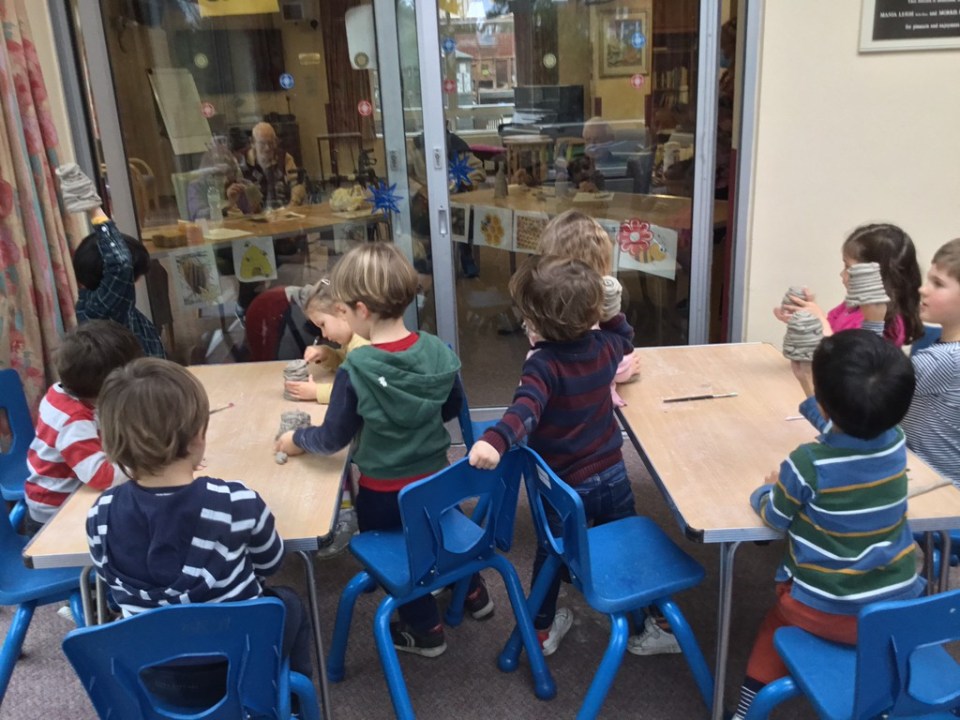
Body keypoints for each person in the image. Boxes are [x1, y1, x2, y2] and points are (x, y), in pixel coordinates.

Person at [275, 242, 492, 657]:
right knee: (440, 528)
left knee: (404, 551)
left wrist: (296, 441)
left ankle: (424, 628)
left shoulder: (357, 369)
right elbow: (450, 406)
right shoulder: (436, 349)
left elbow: (332, 439)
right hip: (439, 481)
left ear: (359, 310)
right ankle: (473, 594)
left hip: (383, 494)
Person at [730, 329, 923, 719]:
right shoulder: (895, 442)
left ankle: (746, 708)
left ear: (826, 403)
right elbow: (849, 434)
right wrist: (809, 388)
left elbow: (775, 518)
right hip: (894, 609)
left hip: (821, 612)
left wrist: (765, 491)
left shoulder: (807, 463)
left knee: (774, 628)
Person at [86, 358, 313, 687]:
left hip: (154, 672)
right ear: (198, 437)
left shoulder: (100, 514)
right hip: (240, 664)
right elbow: (272, 561)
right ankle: (287, 697)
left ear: (107, 442)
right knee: (288, 601)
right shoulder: (237, 502)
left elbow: (109, 579)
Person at [468, 255, 635, 656]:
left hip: (563, 487)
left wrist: (495, 439)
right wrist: (612, 315)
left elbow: (525, 409)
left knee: (550, 553)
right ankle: (641, 616)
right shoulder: (607, 346)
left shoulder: (542, 364)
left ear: (536, 327)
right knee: (625, 542)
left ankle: (541, 629)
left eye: (527, 319)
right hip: (614, 475)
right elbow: (625, 340)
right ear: (593, 314)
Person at [23, 320, 142, 533]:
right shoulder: (74, 420)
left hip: (66, 491)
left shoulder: (62, 390)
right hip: (55, 515)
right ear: (109, 388)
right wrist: (146, 465)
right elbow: (101, 475)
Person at [60, 163, 166, 358]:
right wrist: (94, 210)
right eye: (136, 276)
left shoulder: (97, 303)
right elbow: (120, 264)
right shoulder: (104, 309)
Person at [536, 210, 641, 405]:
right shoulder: (574, 312)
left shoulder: (547, 302)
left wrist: (610, 314)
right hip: (579, 409)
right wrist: (626, 368)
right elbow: (604, 360)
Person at [776, 223, 923, 347]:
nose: (842, 274)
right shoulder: (851, 306)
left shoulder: (888, 322)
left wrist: (819, 320)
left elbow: (845, 359)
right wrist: (807, 321)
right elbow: (827, 334)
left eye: (848, 267)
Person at [900, 238, 960, 487]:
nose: (923, 289)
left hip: (937, 493)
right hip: (915, 473)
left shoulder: (947, 360)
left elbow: (864, 391)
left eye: (938, 284)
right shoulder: (935, 343)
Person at [284, 277, 370, 403]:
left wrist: (316, 391)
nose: (323, 334)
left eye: (323, 324)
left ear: (341, 311)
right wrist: (326, 354)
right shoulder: (354, 341)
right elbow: (347, 363)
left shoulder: (362, 347)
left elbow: (359, 392)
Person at [187, 136, 262, 220]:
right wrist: (228, 205)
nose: (225, 179)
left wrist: (254, 199)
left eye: (228, 172)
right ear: (208, 174)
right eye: (219, 174)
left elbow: (255, 214)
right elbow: (197, 215)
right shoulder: (197, 187)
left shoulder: (239, 184)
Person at [242, 121, 305, 210]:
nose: (267, 148)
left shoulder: (285, 158)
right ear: (253, 143)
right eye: (262, 143)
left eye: (271, 143)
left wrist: (291, 206)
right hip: (255, 216)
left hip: (284, 211)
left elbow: (297, 185)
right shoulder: (243, 162)